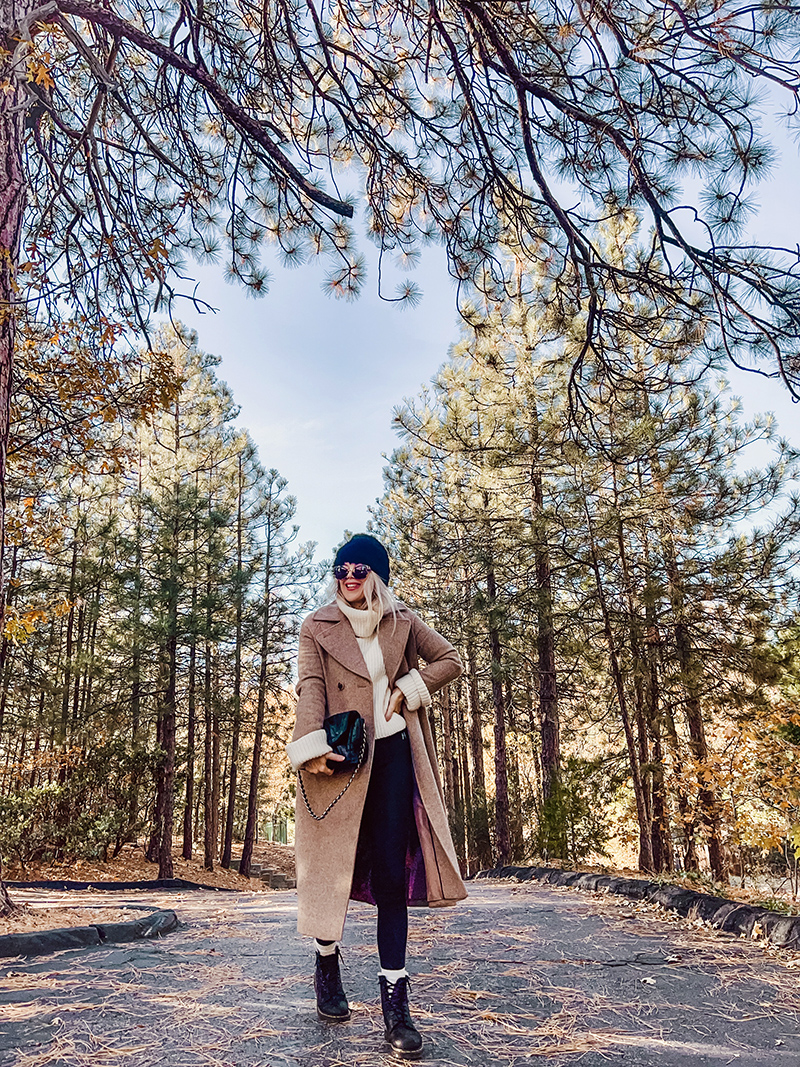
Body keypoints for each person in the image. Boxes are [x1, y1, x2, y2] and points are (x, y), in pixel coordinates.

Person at [286, 534, 467, 1060]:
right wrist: (311, 748)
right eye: (339, 569)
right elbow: (311, 687)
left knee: (390, 872)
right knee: (333, 872)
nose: (347, 578)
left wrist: (410, 685)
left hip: (391, 761)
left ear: (378, 575)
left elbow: (450, 660)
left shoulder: (403, 622)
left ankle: (395, 1004)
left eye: (358, 570)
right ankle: (327, 964)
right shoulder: (316, 625)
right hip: (338, 759)